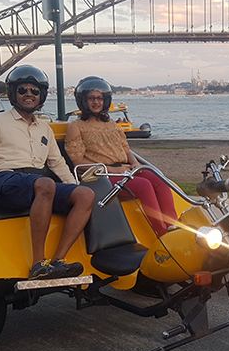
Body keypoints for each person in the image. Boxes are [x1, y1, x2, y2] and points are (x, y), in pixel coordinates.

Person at [0, 65, 95, 279]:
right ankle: (38, 264)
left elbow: (58, 164)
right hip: (2, 179)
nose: (29, 94)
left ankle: (58, 261)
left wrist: (72, 188)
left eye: (34, 91)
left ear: (41, 96)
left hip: (36, 184)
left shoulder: (44, 129)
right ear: (14, 94)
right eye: (23, 90)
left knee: (86, 195)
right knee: (45, 183)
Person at [65, 76, 177, 237]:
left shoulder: (111, 124)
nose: (96, 102)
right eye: (91, 98)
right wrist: (113, 170)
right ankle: (161, 232)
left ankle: (173, 226)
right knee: (143, 186)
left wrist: (135, 163)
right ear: (83, 101)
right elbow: (77, 161)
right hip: (100, 176)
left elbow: (125, 149)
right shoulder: (76, 127)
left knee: (159, 180)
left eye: (99, 98)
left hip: (123, 169)